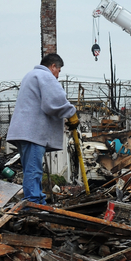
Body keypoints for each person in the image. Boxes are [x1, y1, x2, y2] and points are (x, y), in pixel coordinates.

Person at [6, 53, 79, 204]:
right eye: (58, 71)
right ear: (53, 67)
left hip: (24, 132)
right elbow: (54, 102)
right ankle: (33, 204)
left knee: (30, 170)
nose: (58, 76)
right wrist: (71, 112)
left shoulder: (31, 75)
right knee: (34, 170)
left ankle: (35, 200)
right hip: (32, 133)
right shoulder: (45, 76)